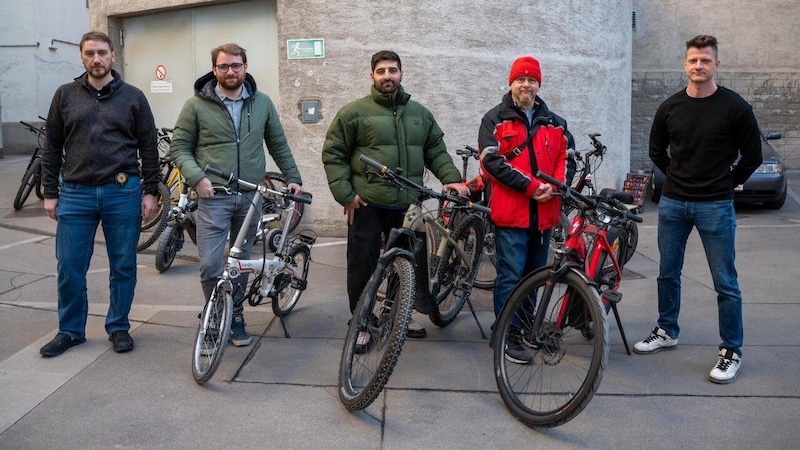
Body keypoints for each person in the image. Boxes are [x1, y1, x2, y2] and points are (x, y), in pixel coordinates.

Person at [633, 35, 762, 384]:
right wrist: (674, 175)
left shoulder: (736, 108)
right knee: (667, 273)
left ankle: (731, 349)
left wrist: (729, 180)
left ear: (716, 64)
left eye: (705, 60)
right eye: (693, 60)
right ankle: (666, 330)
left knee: (726, 283)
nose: (698, 66)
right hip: (673, 202)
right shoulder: (670, 107)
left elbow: (754, 157)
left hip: (716, 205)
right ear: (685, 65)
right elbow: (656, 150)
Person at [322, 50, 470, 344]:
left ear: (401, 74)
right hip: (367, 203)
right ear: (372, 76)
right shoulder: (353, 113)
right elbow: (334, 154)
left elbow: (435, 152)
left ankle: (397, 312)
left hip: (407, 204)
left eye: (392, 70)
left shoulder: (420, 115)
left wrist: (451, 179)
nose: (387, 76)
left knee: (407, 263)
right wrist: (346, 196)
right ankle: (362, 320)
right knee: (363, 265)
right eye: (381, 71)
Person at [171, 43, 303, 347]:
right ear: (215, 70)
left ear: (245, 67)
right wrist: (197, 177)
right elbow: (179, 147)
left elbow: (278, 144)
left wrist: (293, 178)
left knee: (241, 262)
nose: (231, 71)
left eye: (236, 65)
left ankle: (236, 315)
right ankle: (215, 312)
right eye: (224, 66)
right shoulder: (196, 105)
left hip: (250, 196)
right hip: (213, 195)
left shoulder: (263, 103)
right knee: (210, 264)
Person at [38, 31, 160, 357]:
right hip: (75, 194)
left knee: (123, 265)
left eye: (102, 53)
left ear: (112, 56)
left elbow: (149, 147)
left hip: (122, 192)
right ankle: (71, 330)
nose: (96, 59)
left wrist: (151, 191)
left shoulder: (133, 97)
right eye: (90, 53)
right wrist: (50, 192)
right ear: (81, 57)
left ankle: (118, 326)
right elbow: (50, 148)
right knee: (69, 267)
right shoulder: (65, 96)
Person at [478, 55, 573, 364]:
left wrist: (554, 187)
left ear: (539, 84)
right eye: (521, 79)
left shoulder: (556, 122)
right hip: (512, 215)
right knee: (510, 276)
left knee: (535, 275)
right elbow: (491, 162)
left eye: (532, 80)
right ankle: (505, 334)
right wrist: (534, 188)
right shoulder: (494, 119)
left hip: (544, 216)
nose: (526, 85)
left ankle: (523, 328)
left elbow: (566, 159)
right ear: (511, 83)